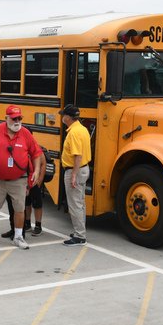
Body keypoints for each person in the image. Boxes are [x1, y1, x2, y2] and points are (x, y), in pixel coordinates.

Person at [0, 105, 45, 250]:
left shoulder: (26, 133)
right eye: (14, 118)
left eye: (19, 118)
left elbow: (36, 153)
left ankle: (18, 236)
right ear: (6, 118)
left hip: (18, 179)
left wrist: (36, 170)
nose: (17, 121)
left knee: (19, 209)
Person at [59, 104, 92, 245]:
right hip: (84, 169)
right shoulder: (82, 129)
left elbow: (77, 155)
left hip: (75, 170)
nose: (61, 117)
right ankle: (80, 230)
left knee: (74, 204)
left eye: (63, 115)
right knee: (80, 202)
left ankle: (79, 236)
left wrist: (73, 175)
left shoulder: (73, 132)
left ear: (68, 117)